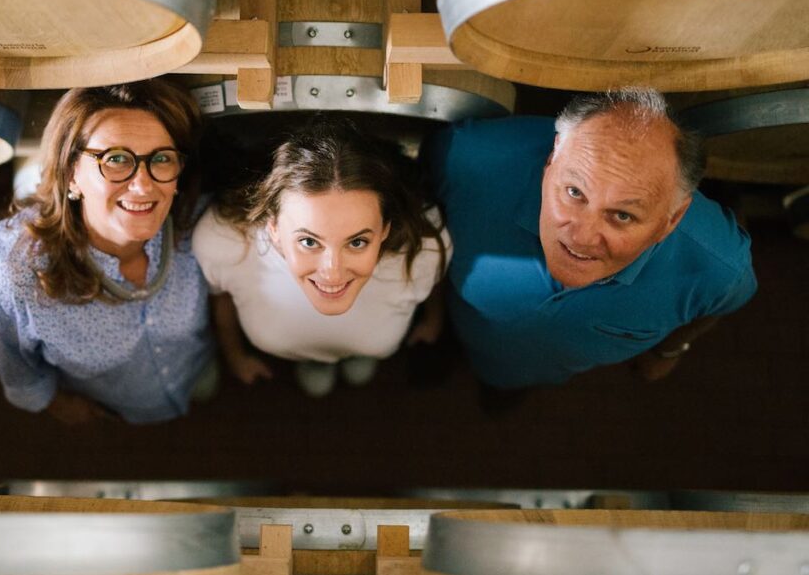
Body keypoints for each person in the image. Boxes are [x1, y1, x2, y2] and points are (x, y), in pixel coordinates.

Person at [424, 88, 756, 399]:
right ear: (552, 159)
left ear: (672, 220)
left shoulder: (721, 266)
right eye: (574, 192)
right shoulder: (468, 160)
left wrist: (669, 350)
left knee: (504, 395)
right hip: (458, 330)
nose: (580, 239)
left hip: (547, 374)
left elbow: (721, 305)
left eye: (622, 216)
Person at [0, 81, 215, 425]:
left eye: (161, 159)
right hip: (109, 401)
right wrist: (52, 402)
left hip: (194, 368)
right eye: (115, 159)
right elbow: (14, 361)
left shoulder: (198, 220)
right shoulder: (15, 268)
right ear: (70, 174)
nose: (144, 185)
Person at [193, 121, 450, 397]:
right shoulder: (222, 242)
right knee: (323, 378)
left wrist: (433, 319)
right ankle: (314, 362)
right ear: (274, 229)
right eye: (309, 242)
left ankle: (352, 356)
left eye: (357, 242)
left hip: (366, 347)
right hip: (295, 352)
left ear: (385, 229)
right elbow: (220, 296)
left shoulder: (425, 245)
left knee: (359, 366)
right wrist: (235, 356)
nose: (333, 274)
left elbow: (429, 278)